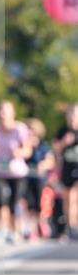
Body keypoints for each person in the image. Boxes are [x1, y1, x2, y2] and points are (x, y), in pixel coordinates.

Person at [0, 100, 30, 243]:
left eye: (6, 111)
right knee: (1, 201)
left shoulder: (20, 129)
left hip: (16, 172)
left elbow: (28, 150)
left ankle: (15, 230)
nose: (3, 114)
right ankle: (3, 229)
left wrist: (19, 152)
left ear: (12, 113)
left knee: (15, 203)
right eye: (0, 110)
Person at [23, 118, 55, 240]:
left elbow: (50, 160)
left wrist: (42, 165)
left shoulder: (43, 145)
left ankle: (41, 224)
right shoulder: (24, 144)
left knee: (40, 205)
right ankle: (32, 230)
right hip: (26, 178)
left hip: (39, 179)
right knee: (29, 205)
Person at [52, 103, 78, 241]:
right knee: (68, 199)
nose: (72, 117)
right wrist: (63, 143)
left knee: (74, 197)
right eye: (70, 114)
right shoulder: (63, 131)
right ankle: (70, 227)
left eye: (75, 113)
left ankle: (74, 226)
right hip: (66, 169)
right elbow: (55, 149)